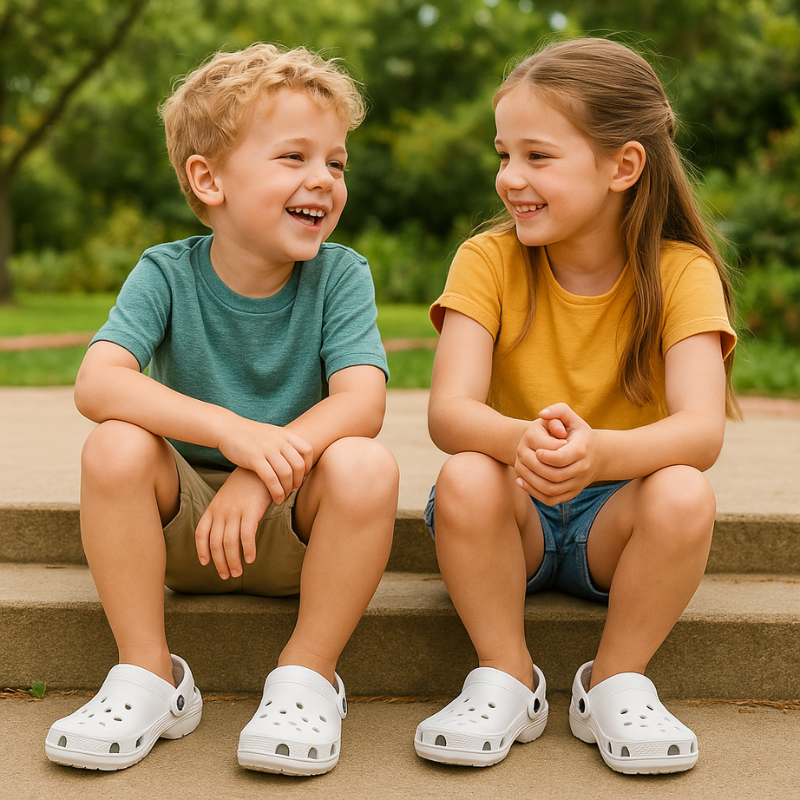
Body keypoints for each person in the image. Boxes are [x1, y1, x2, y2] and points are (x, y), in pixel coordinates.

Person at [45, 43, 398, 777]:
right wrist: (234, 437)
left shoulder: (341, 275)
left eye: (335, 162)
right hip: (184, 529)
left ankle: (306, 676)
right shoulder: (165, 272)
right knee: (115, 443)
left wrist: (265, 472)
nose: (322, 181)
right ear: (209, 180)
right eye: (293, 157)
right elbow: (98, 381)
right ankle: (150, 676)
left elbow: (361, 402)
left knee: (366, 463)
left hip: (298, 529)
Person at [414, 37, 737, 775]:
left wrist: (601, 455)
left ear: (623, 166)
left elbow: (701, 430)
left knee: (686, 490)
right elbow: (449, 412)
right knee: (466, 472)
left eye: (537, 156)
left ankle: (616, 681)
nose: (509, 178)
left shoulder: (681, 272)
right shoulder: (487, 260)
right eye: (503, 155)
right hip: (514, 512)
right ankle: (505, 677)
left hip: (616, 525)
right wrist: (524, 439)